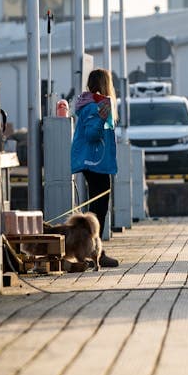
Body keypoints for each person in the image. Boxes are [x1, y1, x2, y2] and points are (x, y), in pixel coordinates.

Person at [70, 68, 120, 268]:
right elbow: (92, 135)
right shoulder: (94, 107)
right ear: (104, 84)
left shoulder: (91, 104)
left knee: (96, 209)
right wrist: (101, 116)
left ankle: (91, 250)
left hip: (96, 162)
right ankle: (95, 252)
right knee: (98, 211)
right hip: (96, 163)